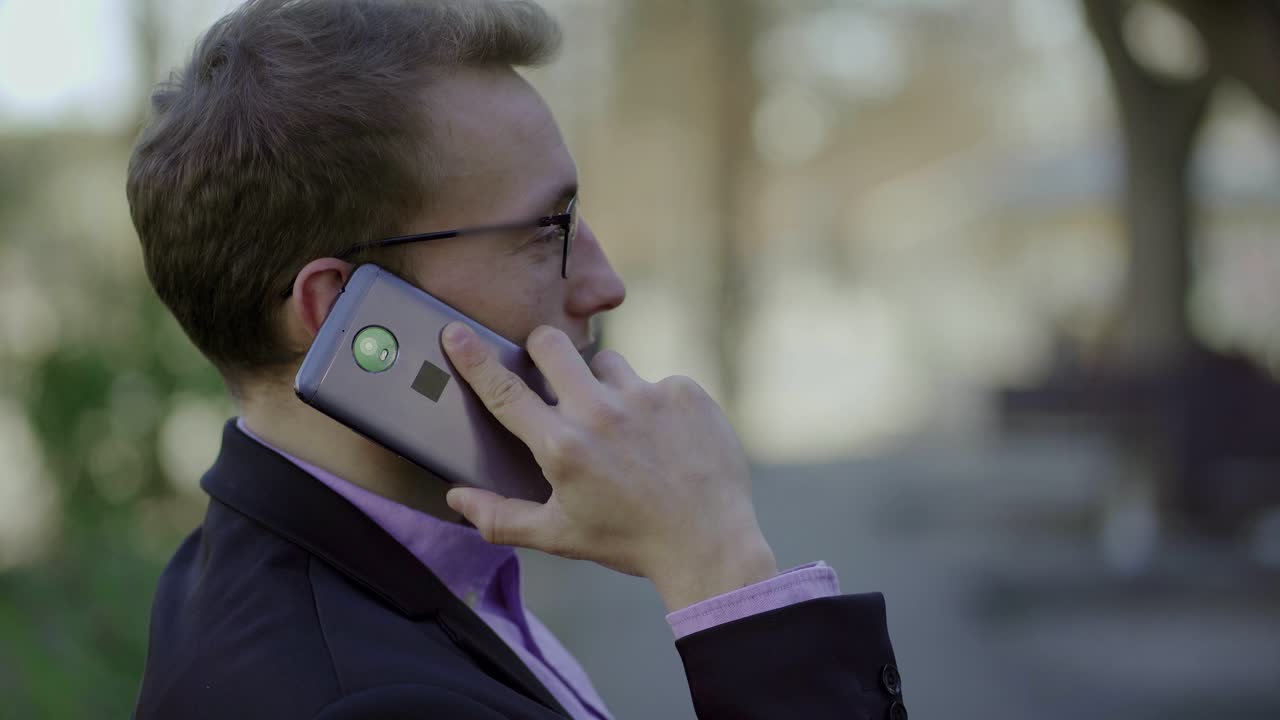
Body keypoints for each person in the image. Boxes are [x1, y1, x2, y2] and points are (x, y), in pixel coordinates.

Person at [127, 1, 907, 718]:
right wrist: (723, 568)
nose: (605, 286)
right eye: (546, 231)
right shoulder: (361, 700)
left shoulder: (321, 568)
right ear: (343, 314)